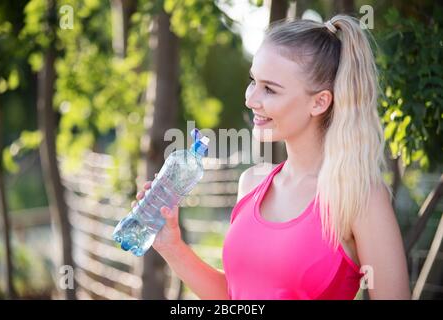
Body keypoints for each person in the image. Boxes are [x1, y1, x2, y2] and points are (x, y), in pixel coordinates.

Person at [132, 15, 411, 300]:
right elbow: (236, 298)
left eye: (270, 89)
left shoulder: (359, 197)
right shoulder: (252, 183)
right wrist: (172, 247)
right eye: (253, 81)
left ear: (319, 102)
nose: (251, 99)